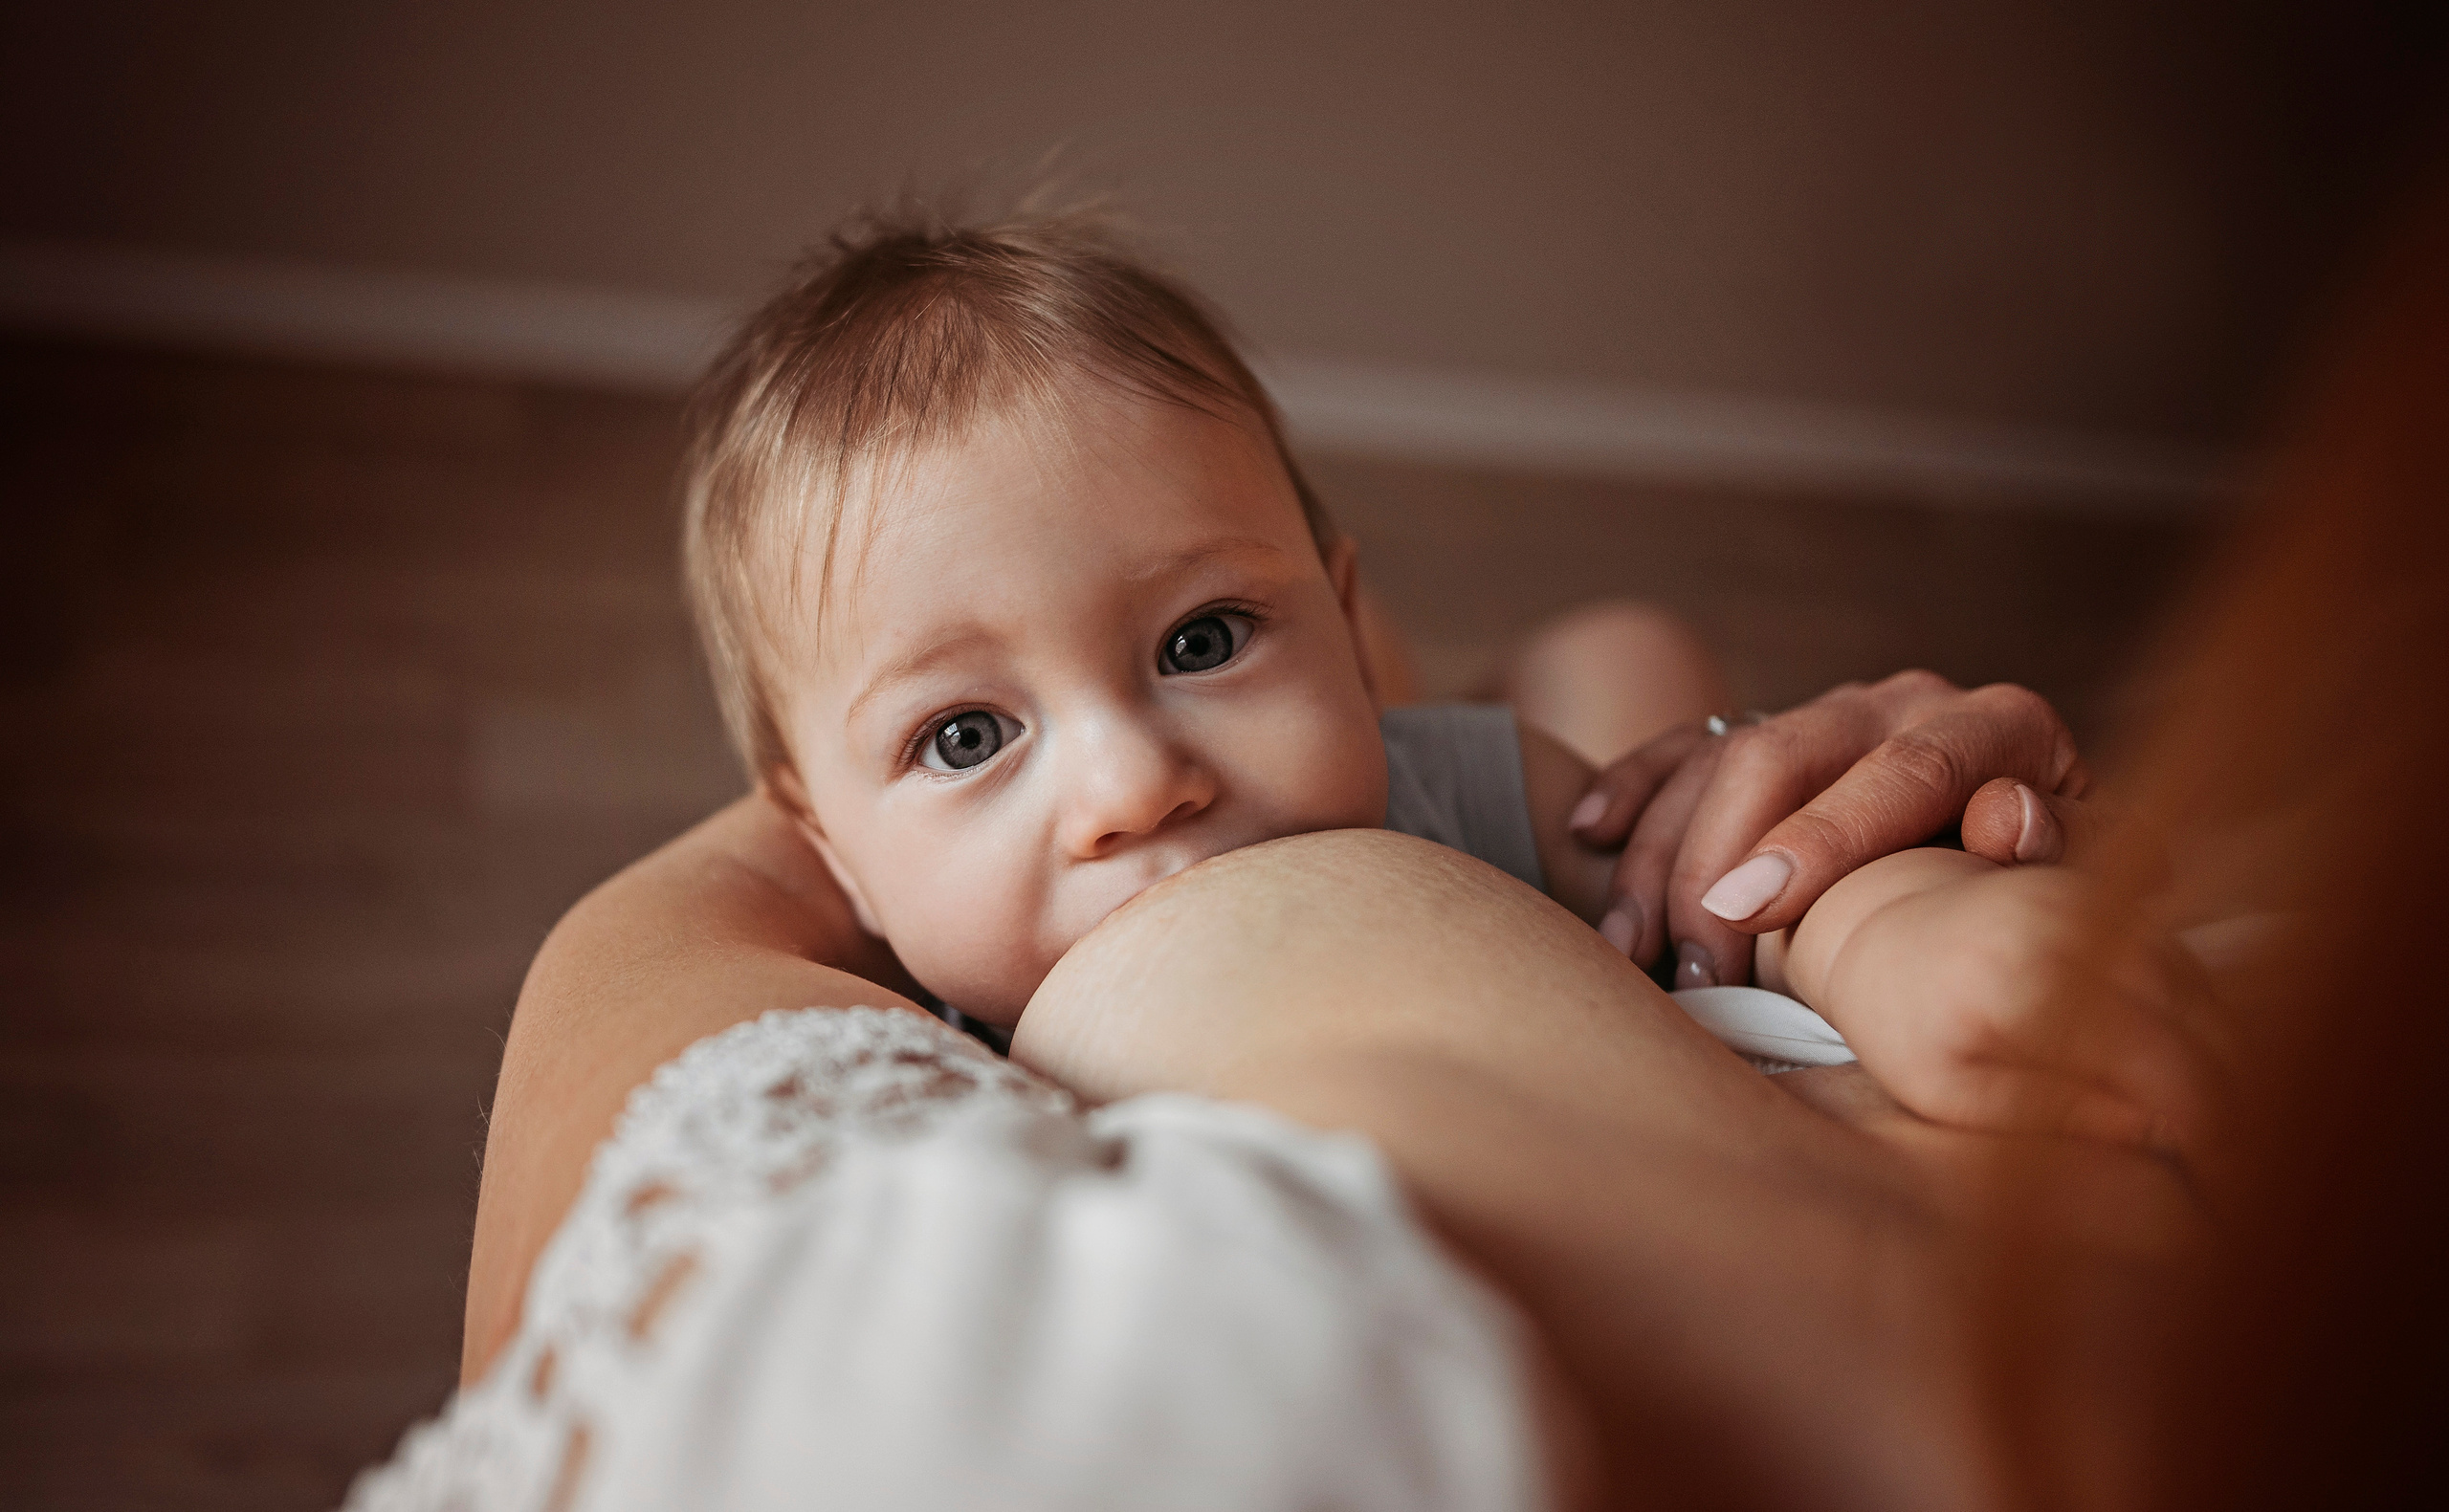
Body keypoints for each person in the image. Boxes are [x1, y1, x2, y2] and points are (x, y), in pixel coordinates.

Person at [462, 206, 2107, 1385]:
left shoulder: (1469, 789)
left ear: (1329, 601)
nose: (1131, 783)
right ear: (827, 846)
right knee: (1611, 650)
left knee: (1629, 669)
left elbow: (1731, 868)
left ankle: (1503, 651)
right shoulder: (889, 1035)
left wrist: (1892, 928)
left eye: (1204, 633)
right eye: (967, 736)